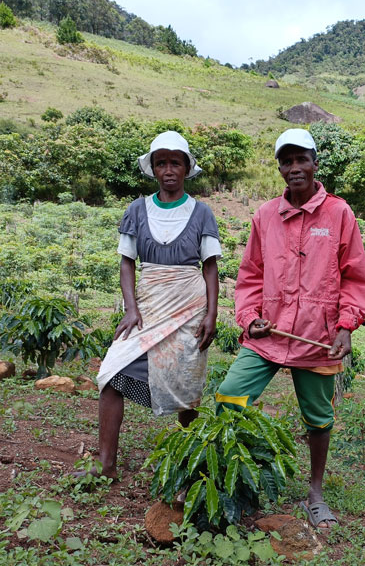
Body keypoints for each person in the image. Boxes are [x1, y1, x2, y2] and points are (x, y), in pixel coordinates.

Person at [216, 128, 365, 528]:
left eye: (302, 159)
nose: (295, 167)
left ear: (315, 163)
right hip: (268, 335)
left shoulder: (339, 214)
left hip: (317, 338)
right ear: (280, 169)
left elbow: (355, 276)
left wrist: (346, 326)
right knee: (230, 396)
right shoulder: (265, 216)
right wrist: (249, 318)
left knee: (318, 417)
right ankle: (229, 480)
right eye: (287, 161)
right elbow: (250, 275)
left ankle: (315, 493)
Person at [94, 130, 220, 480]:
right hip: (148, 307)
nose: (168, 170)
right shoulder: (137, 209)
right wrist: (131, 308)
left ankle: (188, 469)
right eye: (161, 163)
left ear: (186, 168)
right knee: (111, 373)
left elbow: (210, 267)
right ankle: (106, 465)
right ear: (152, 168)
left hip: (189, 308)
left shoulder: (202, 213)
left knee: (186, 385)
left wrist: (212, 314)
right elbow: (126, 262)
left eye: (175, 163)